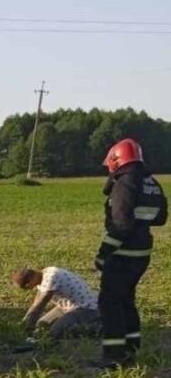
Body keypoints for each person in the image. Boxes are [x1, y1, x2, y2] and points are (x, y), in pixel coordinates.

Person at [95, 138, 167, 368]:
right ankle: (132, 349)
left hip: (123, 255)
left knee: (110, 302)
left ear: (117, 160)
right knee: (126, 300)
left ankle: (114, 357)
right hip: (142, 252)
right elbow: (160, 217)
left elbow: (121, 225)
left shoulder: (125, 183)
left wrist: (103, 253)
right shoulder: (151, 182)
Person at [13, 267, 100, 339]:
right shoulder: (42, 277)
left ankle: (98, 328)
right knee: (42, 325)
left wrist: (28, 325)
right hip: (66, 307)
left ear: (30, 281)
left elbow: (40, 305)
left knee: (56, 332)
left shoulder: (51, 277)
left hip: (86, 308)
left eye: (25, 287)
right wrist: (25, 321)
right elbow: (35, 304)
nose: (27, 289)